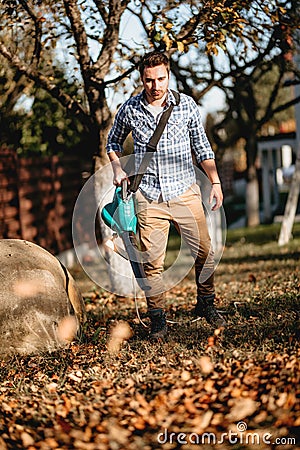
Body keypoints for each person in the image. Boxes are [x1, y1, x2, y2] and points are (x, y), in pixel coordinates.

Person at [106, 50, 226, 341]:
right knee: (151, 263)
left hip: (184, 191)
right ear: (141, 79)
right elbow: (113, 140)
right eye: (149, 80)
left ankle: (206, 303)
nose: (155, 85)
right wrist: (117, 169)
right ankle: (158, 319)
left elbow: (202, 147)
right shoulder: (130, 108)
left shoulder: (186, 105)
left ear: (168, 75)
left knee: (204, 252)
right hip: (148, 197)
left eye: (161, 78)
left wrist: (215, 182)